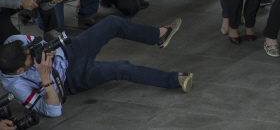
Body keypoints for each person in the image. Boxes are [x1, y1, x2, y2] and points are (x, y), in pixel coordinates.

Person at [0, 15, 191, 118]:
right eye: (29, 59)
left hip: (70, 51)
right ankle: (175, 79)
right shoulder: (16, 87)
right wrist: (45, 77)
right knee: (120, 68)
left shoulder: (14, 41)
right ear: (19, 71)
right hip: (72, 77)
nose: (32, 55)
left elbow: (39, 45)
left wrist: (46, 51)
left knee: (112, 23)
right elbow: (53, 111)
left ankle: (158, 35)